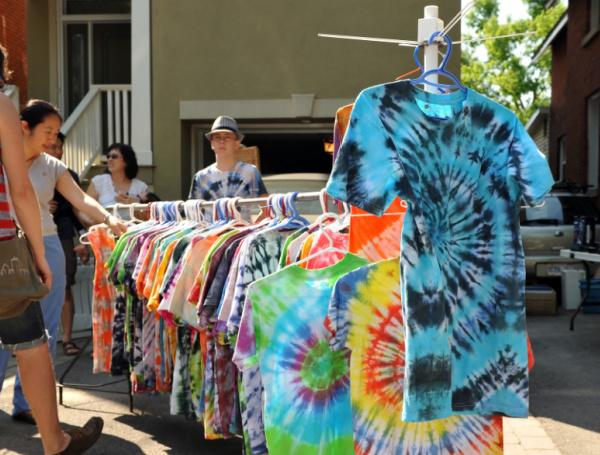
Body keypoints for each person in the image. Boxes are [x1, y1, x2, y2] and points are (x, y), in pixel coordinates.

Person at [0, 42, 103, 455]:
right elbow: (20, 189)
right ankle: (55, 441)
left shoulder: (54, 165)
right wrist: (39, 256)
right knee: (31, 342)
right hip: (3, 246)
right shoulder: (3, 107)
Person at [0, 99, 127, 429]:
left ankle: (26, 405)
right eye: (48, 131)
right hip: (8, 250)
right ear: (23, 126)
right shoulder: (4, 155)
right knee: (4, 330)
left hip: (49, 248)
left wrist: (110, 219)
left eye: (57, 133)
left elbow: (81, 199)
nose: (53, 139)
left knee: (46, 330)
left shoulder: (52, 165)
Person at [46, 132, 89, 356]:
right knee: (32, 289)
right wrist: (39, 205)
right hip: (30, 232)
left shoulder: (68, 174)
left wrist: (83, 237)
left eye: (60, 147)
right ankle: (30, 340)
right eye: (52, 147)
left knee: (64, 286)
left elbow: (75, 209)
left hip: (62, 232)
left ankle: (67, 338)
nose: (57, 151)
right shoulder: (23, 169)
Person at [188, 115, 268, 221]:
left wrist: (250, 231)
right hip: (211, 237)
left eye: (227, 137)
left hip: (240, 237)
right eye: (217, 137)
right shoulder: (201, 177)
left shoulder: (250, 172)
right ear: (212, 144)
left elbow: (267, 209)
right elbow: (191, 214)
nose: (222, 141)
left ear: (236, 144)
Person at [86, 143, 148, 208]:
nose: (110, 159)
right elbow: (85, 209)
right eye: (108, 156)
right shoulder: (98, 182)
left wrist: (136, 204)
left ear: (127, 160)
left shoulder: (141, 187)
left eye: (114, 156)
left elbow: (148, 216)